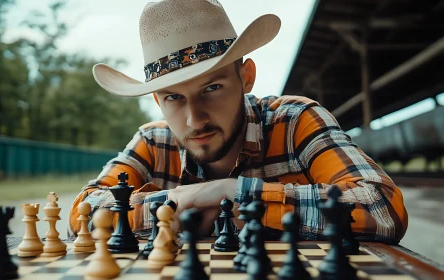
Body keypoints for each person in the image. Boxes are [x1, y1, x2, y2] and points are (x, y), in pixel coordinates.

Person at [67, 0, 408, 243]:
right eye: (173, 97)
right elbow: (80, 215)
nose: (194, 118)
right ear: (157, 100)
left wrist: (235, 193)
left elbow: (384, 208)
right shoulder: (153, 141)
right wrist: (178, 203)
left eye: (212, 88)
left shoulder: (296, 121)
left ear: (246, 77)